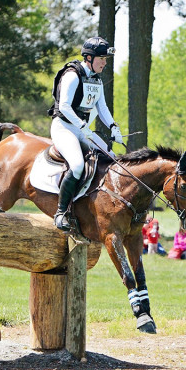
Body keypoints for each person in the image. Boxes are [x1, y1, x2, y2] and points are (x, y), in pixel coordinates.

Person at [49, 36, 125, 230]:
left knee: (113, 158)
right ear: (89, 58)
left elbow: (103, 107)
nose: (105, 62)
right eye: (102, 59)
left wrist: (114, 127)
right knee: (76, 166)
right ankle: (61, 212)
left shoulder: (96, 80)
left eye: (105, 59)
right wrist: (82, 126)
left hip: (82, 130)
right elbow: (64, 106)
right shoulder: (72, 75)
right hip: (64, 127)